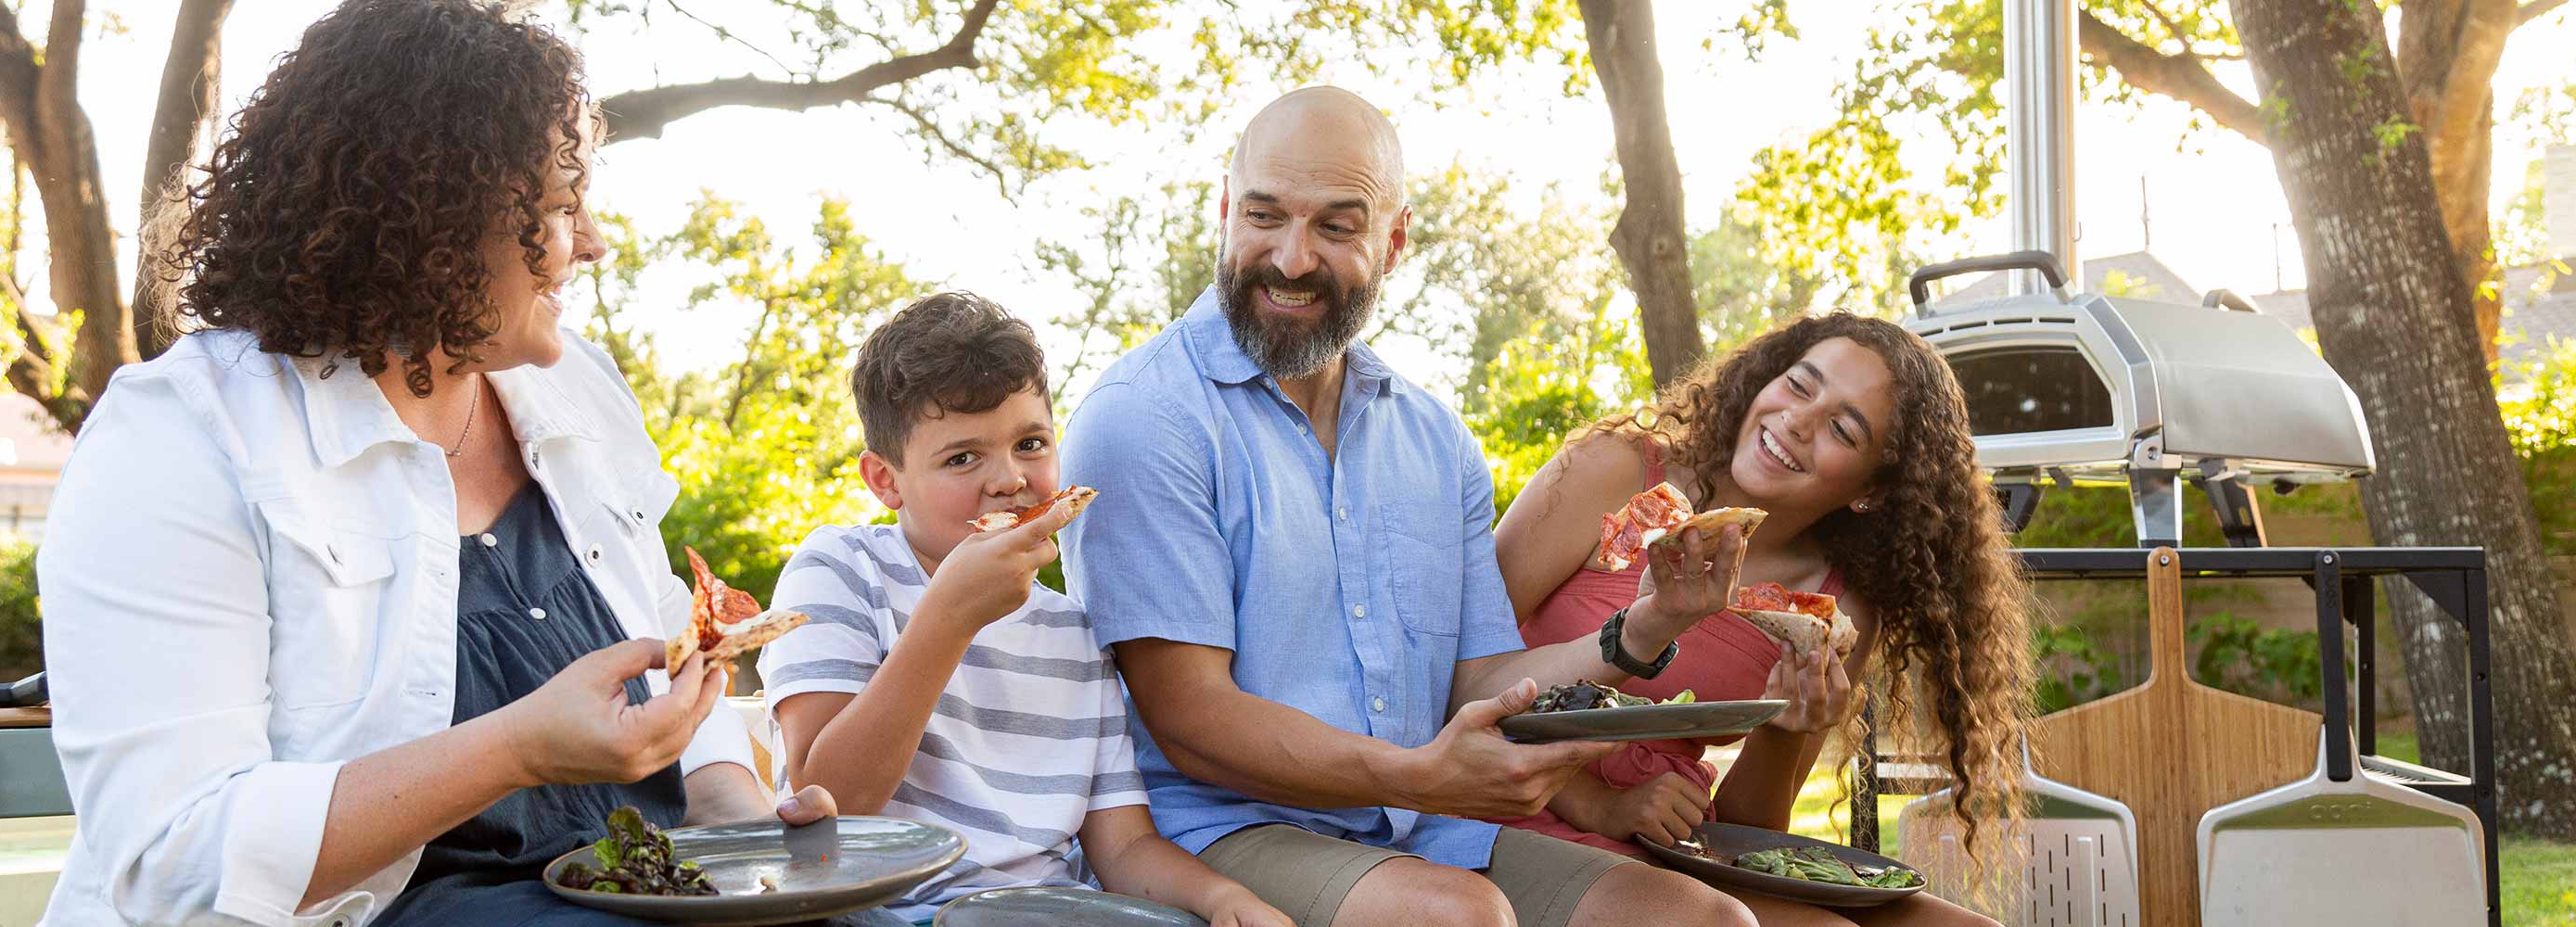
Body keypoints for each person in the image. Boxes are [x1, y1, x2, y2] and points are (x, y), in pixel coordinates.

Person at [37, 3, 829, 924]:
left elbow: (663, 641)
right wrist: (517, 749)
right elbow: (175, 855)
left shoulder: (580, 392)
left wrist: (739, 824)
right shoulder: (181, 438)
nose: (593, 244)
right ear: (434, 222)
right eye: (561, 209)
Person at [1059, 86, 1756, 927]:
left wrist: (1643, 628)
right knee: (1456, 917)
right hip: (1216, 830)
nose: (1290, 257)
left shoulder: (1435, 438)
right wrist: (1418, 774)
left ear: (1394, 241)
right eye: (1265, 215)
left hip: (1416, 828)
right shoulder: (1144, 415)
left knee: (1706, 920)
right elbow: (1190, 719)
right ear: (1224, 212)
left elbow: (1482, 680)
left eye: (1337, 226)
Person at [758, 293, 1294, 927]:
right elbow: (831, 808)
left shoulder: (1075, 633)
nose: (1009, 478)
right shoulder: (841, 569)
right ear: (885, 480)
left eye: (1031, 443)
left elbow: (1123, 846)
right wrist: (950, 618)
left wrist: (1224, 900)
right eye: (962, 457)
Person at [1487, 313, 2034, 926]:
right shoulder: (1615, 471)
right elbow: (1451, 682)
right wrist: (1602, 805)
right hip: (1517, 795)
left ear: (1873, 491)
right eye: (1799, 386)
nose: (1797, 421)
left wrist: (1784, 734)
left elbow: (1751, 836)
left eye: (1843, 430)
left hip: (1672, 838)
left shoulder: (1835, 609)